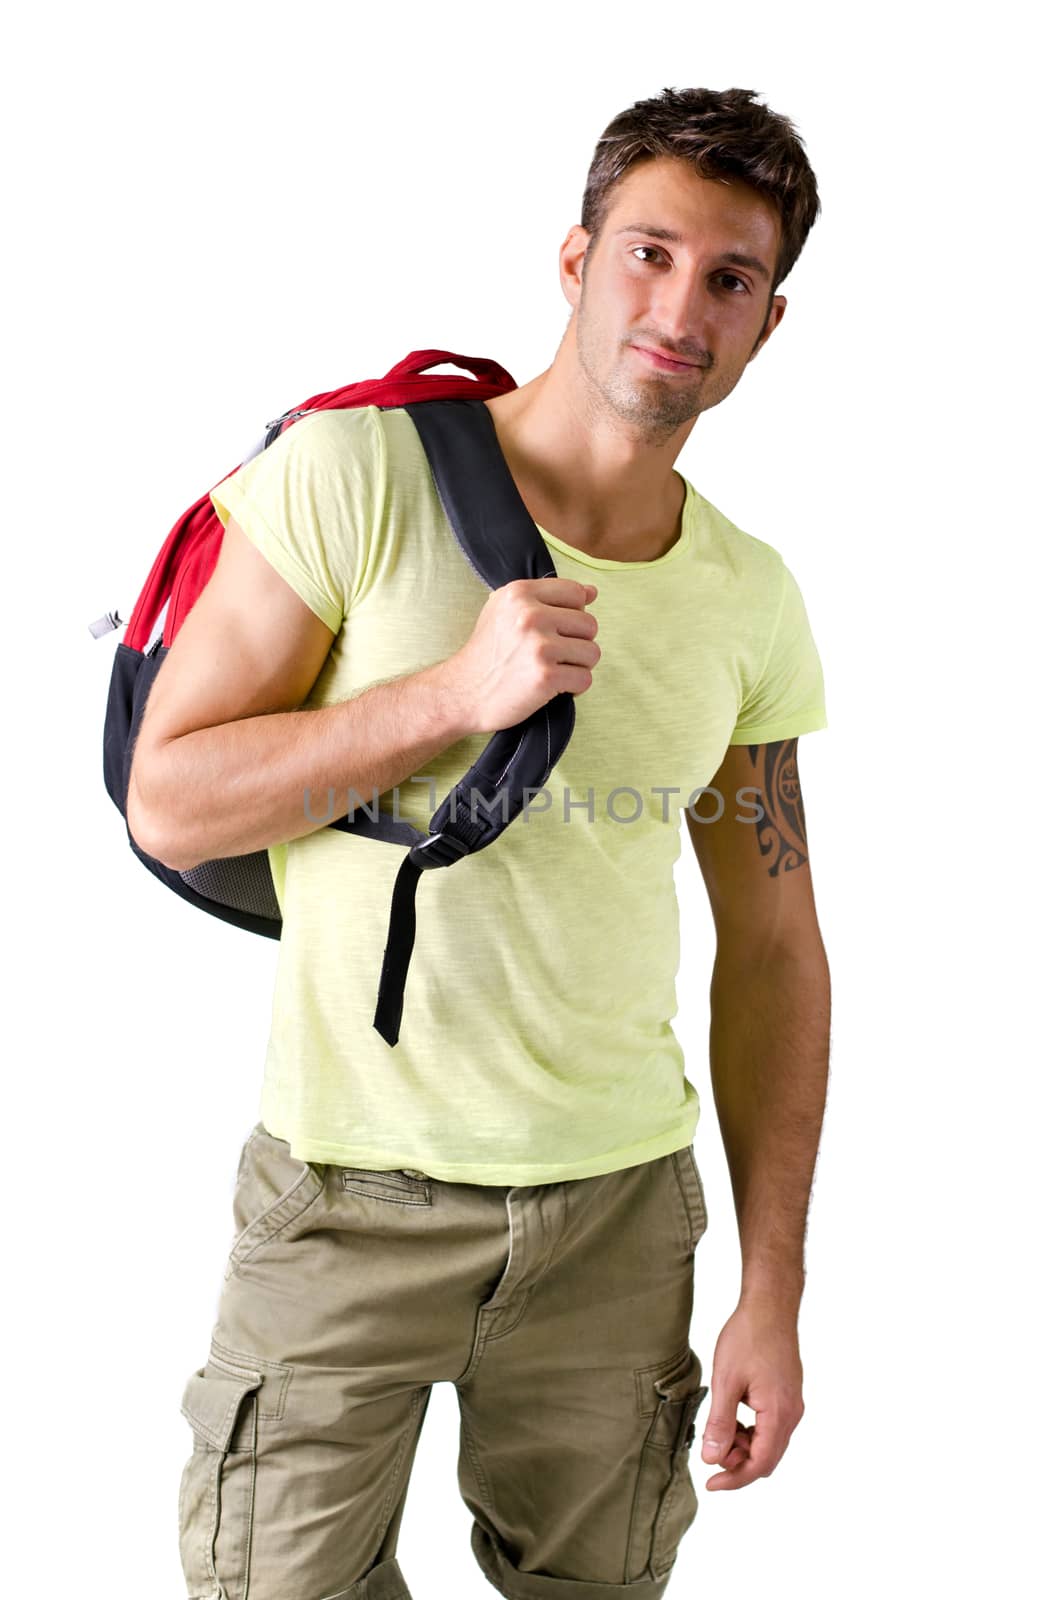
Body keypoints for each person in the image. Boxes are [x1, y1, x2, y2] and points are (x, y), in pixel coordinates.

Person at [131, 84, 831, 1600]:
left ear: (771, 323)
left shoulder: (748, 597)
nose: (680, 306)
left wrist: (770, 1288)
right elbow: (170, 795)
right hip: (343, 1203)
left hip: (619, 1221)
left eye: (730, 279)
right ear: (574, 262)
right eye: (649, 253)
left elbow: (774, 945)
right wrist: (451, 693)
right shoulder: (354, 477)